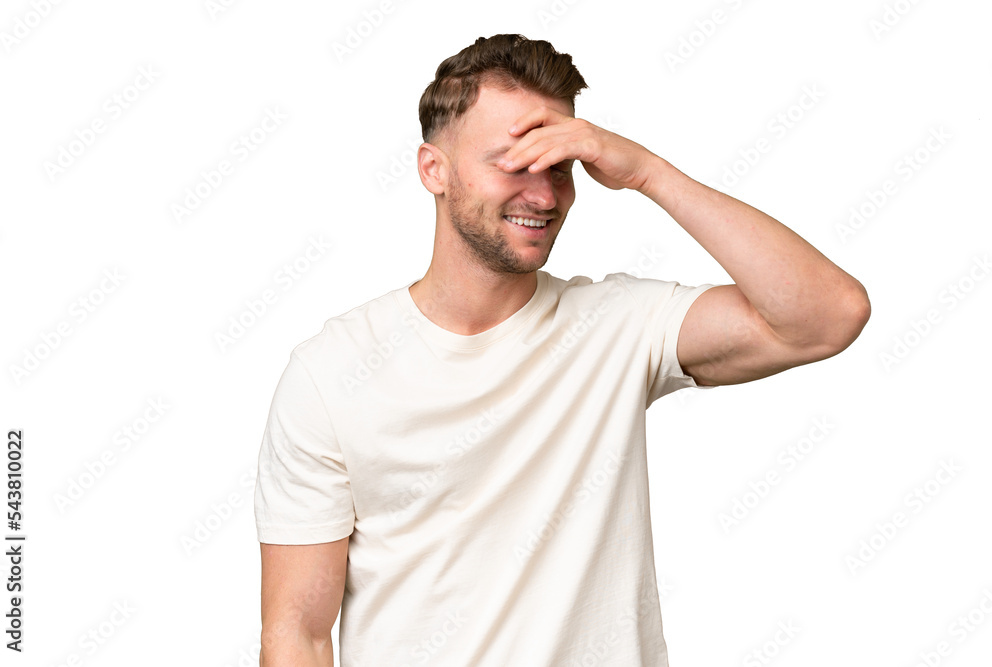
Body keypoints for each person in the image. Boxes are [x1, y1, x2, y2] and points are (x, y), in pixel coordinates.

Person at [253, 34, 870, 667]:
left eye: (560, 166)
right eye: (513, 164)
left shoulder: (616, 326)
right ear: (433, 169)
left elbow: (827, 316)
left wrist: (647, 172)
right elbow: (296, 633)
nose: (545, 196)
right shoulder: (332, 372)